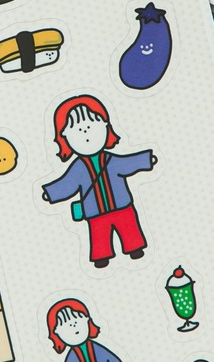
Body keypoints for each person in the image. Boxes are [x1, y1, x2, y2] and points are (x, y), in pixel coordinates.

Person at [41, 95, 156, 268]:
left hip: (121, 205)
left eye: (91, 126)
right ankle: (101, 256)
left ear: (105, 126)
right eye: (78, 130)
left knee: (129, 227)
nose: (86, 132)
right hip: (95, 212)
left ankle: (135, 248)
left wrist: (145, 160)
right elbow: (68, 183)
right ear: (64, 136)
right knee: (99, 234)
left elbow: (127, 163)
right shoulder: (78, 167)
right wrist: (51, 192)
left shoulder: (111, 159)